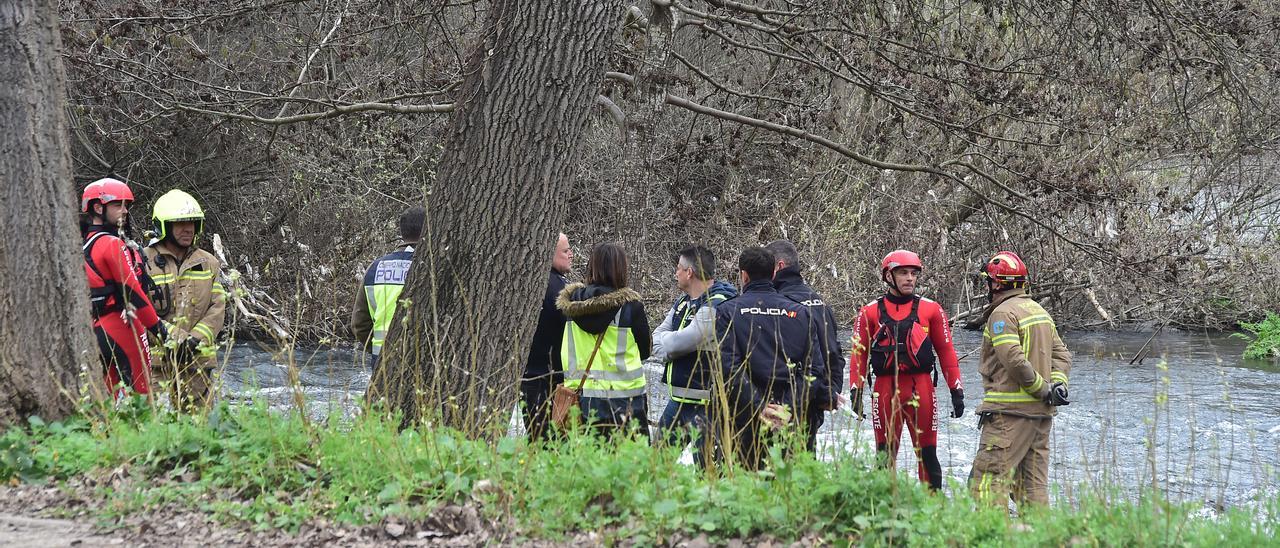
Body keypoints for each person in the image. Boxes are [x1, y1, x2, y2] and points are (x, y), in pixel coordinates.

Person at [847, 250, 963, 490]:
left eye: (913, 273)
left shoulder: (931, 309)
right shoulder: (869, 312)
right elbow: (859, 354)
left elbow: (947, 352)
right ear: (889, 276)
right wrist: (856, 389)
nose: (910, 278)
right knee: (884, 456)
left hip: (922, 388)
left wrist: (956, 389)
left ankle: (932, 512)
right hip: (885, 390)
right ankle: (884, 514)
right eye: (903, 273)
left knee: (928, 455)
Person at [969, 251, 1071, 508]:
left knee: (986, 485)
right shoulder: (1038, 311)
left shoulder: (1002, 315)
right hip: (1040, 416)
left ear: (995, 284)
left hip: (1009, 415)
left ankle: (993, 539)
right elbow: (1062, 354)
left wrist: (1042, 389)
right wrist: (1056, 387)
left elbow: (1013, 359)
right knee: (1031, 490)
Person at [715, 246, 825, 470]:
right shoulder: (801, 312)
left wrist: (760, 406)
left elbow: (729, 369)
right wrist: (786, 407)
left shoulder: (728, 311)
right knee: (788, 489)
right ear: (774, 273)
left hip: (743, 418)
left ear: (743, 275)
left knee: (744, 489)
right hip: (789, 419)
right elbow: (814, 370)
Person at [81, 178, 168, 399]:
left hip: (97, 327)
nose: (125, 210)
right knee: (143, 395)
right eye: (117, 205)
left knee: (106, 396)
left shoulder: (84, 244)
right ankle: (147, 433)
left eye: (126, 205)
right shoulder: (112, 244)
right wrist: (158, 328)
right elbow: (132, 293)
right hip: (123, 326)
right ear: (98, 207)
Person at [651, 245, 737, 465]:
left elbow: (683, 341)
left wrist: (669, 346)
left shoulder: (718, 303)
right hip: (678, 402)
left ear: (690, 273)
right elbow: (657, 336)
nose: (675, 273)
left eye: (679, 268)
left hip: (708, 406)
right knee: (655, 464)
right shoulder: (682, 302)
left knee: (706, 473)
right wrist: (669, 346)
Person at [143, 189, 227, 412]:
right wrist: (175, 339)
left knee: (199, 431)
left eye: (192, 222)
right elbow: (140, 309)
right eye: (180, 223)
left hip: (198, 365)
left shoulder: (208, 263)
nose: (188, 228)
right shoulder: (143, 261)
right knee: (156, 430)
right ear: (163, 226)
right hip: (157, 366)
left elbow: (217, 308)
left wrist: (195, 340)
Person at [556, 242, 651, 436]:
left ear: (592, 266)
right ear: (621, 269)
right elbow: (645, 351)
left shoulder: (571, 306)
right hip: (627, 401)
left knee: (588, 460)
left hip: (582, 399)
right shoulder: (631, 306)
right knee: (630, 462)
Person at [765, 240, 842, 453]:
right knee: (805, 468)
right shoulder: (818, 301)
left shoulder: (779, 303)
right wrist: (831, 393)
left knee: (775, 471)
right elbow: (834, 354)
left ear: (779, 266)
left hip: (783, 404)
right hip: (815, 401)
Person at [352, 206, 424, 376]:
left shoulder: (375, 268)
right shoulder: (432, 267)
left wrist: (376, 348)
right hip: (423, 358)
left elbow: (359, 324)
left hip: (381, 357)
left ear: (402, 232)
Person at [520, 233, 572, 441]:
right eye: (566, 251)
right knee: (548, 441)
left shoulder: (531, 282)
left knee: (538, 436)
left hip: (531, 376)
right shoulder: (557, 290)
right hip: (548, 379)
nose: (571, 255)